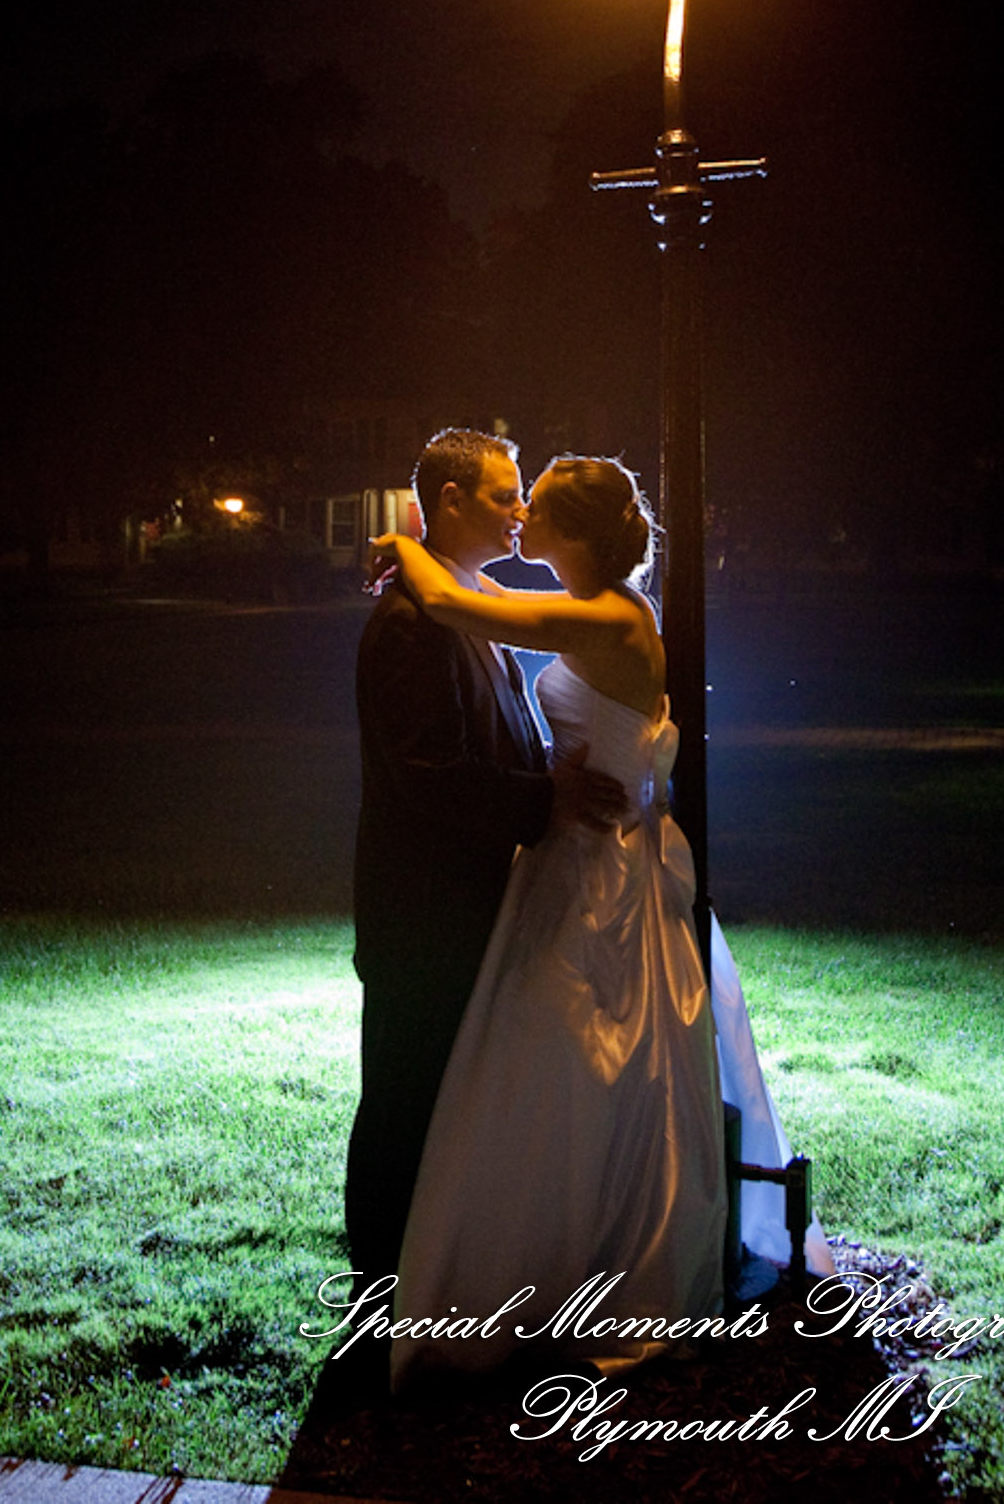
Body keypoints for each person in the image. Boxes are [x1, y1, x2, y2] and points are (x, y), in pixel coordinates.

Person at [369, 454, 832, 1392]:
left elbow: (457, 602)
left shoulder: (611, 618)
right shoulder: (594, 607)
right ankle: (554, 1254)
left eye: (532, 505)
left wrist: (398, 541)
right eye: (513, 499)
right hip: (573, 856)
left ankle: (583, 1262)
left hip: (604, 873)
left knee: (585, 1058)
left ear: (571, 533)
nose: (519, 516)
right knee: (561, 1064)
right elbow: (486, 602)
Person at [345, 429, 625, 1295]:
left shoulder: (467, 601)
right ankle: (380, 1289)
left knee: (451, 1100)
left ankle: (441, 1274)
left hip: (477, 904)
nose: (519, 511)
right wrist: (547, 800)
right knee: (403, 1101)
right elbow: (428, 774)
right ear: (451, 499)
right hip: (423, 912)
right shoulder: (409, 622)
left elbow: (497, 735)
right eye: (506, 495)